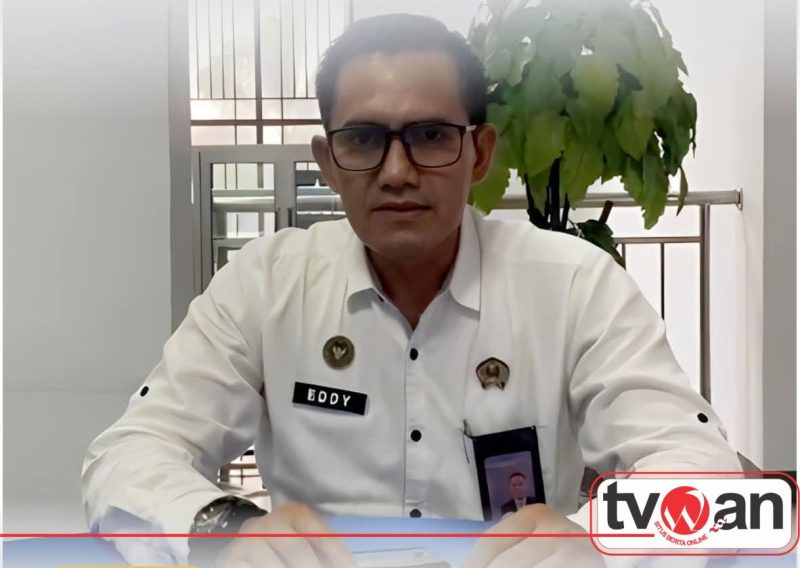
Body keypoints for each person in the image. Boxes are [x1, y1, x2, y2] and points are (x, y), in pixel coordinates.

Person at [82, 13, 740, 568]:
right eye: (363, 139)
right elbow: (129, 455)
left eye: (430, 136)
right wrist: (225, 529)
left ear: (481, 153)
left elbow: (697, 466)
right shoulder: (266, 284)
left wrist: (597, 541)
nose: (397, 172)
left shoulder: (574, 284)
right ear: (328, 162)